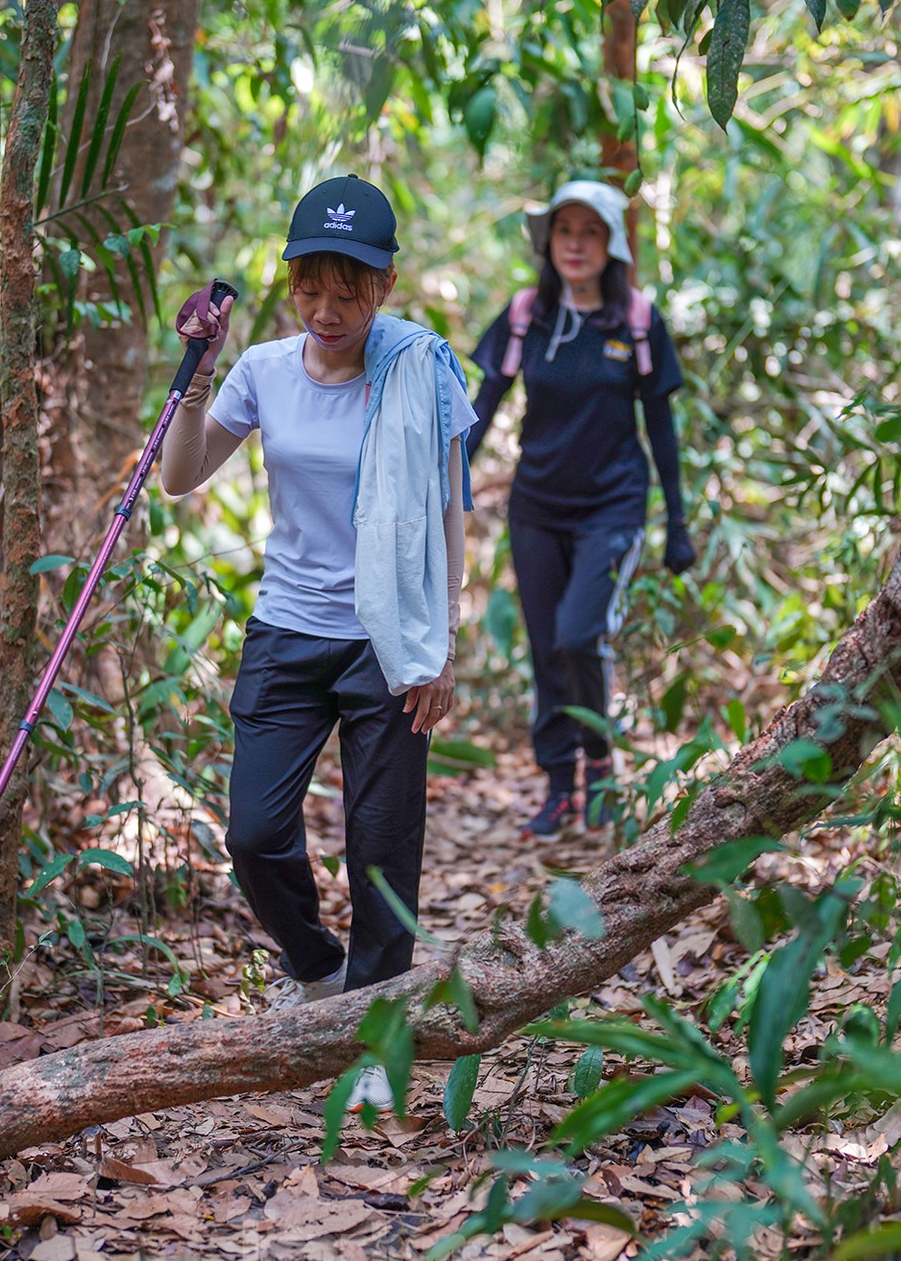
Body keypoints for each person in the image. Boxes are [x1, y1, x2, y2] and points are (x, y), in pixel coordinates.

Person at [161, 174, 475, 1111]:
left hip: (386, 639)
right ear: (291, 282)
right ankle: (318, 972)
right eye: (310, 289)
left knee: (383, 845)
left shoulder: (422, 368)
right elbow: (180, 477)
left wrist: (441, 645)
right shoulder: (262, 368)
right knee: (254, 833)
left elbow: (452, 510)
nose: (327, 310)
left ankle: (379, 1038)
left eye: (350, 290)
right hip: (288, 628)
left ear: (384, 285)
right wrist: (199, 373)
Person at [466, 179, 695, 841]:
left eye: (589, 231)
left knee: (577, 633)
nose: (574, 243)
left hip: (613, 507)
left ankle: (600, 764)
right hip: (536, 507)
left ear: (610, 244)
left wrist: (677, 524)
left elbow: (662, 430)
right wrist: (445, 477)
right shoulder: (525, 317)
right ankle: (559, 785)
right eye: (564, 230)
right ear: (549, 242)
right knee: (545, 650)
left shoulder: (637, 321)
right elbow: (485, 407)